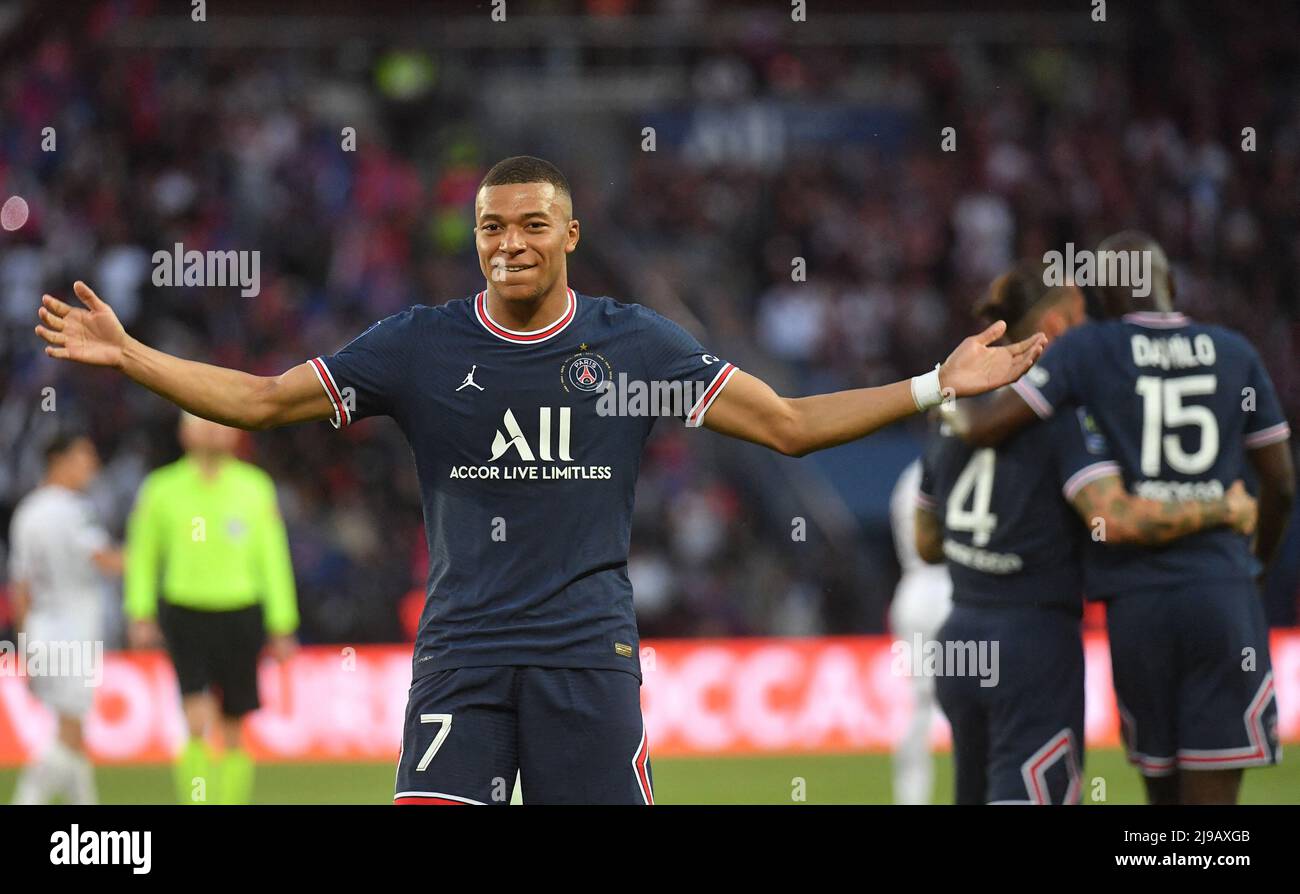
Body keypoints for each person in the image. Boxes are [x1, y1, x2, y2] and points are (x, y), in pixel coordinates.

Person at [35, 155, 1045, 805]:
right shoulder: (418, 344)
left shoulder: (633, 344)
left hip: (585, 656)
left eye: (529, 225)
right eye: (489, 228)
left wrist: (930, 383)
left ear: (568, 236)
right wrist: (134, 357)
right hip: (460, 655)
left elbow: (784, 425)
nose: (508, 243)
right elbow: (258, 402)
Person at [944, 234, 1294, 804]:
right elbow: (1280, 482)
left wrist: (941, 407)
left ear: (1102, 299)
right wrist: (1256, 564)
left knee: (1163, 800)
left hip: (1138, 606)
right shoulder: (1236, 351)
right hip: (1222, 594)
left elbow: (985, 425)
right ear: (1171, 283)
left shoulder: (1088, 351)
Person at [124, 412, 300, 804]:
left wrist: (282, 623)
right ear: (183, 432)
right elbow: (143, 557)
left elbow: (273, 559)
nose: (212, 428)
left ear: (236, 430)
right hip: (185, 612)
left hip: (241, 612)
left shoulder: (255, 487)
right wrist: (140, 612)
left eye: (220, 420)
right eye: (200, 420)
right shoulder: (161, 489)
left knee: (234, 725)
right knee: (196, 719)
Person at [9, 433, 122, 804]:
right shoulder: (75, 510)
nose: (92, 466)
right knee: (69, 734)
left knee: (73, 730)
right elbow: (104, 560)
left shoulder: (25, 512)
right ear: (61, 460)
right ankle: (27, 799)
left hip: (40, 632)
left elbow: (19, 588)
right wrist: (152, 557)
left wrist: (25, 644)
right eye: (85, 456)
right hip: (73, 636)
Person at [887, 457, 952, 804]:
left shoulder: (908, 475)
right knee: (973, 699)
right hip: (952, 591)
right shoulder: (958, 462)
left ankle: (910, 799)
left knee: (919, 704)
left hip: (911, 593)